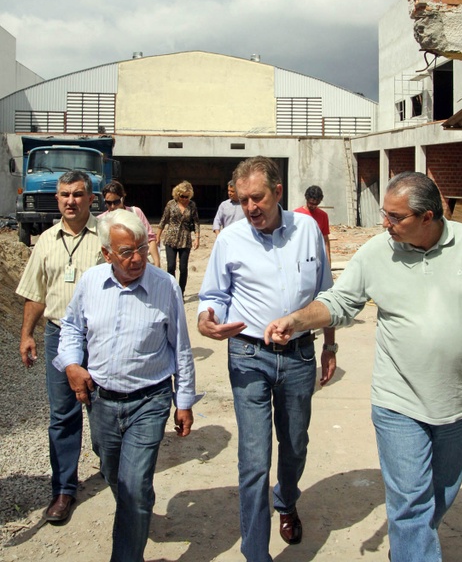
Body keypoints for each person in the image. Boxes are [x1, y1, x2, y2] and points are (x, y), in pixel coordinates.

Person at [265, 171, 462, 562]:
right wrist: (297, 320)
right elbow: (339, 302)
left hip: (459, 403)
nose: (386, 224)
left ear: (428, 217)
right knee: (411, 503)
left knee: (438, 497)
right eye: (385, 214)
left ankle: (408, 549)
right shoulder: (378, 251)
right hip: (397, 403)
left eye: (396, 217)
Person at [198, 156, 337, 562]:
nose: (250, 208)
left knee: (294, 445)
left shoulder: (307, 229)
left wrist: (330, 346)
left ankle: (287, 500)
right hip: (248, 356)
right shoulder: (230, 240)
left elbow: (325, 295)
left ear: (278, 192)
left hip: (298, 356)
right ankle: (254, 552)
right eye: (243, 200)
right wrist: (209, 320)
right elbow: (213, 296)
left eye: (257, 198)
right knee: (254, 459)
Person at [53, 209, 197, 562]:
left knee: (132, 486)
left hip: (150, 400)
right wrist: (71, 364)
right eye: (127, 253)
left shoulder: (164, 286)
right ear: (106, 254)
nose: (137, 260)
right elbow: (71, 328)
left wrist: (184, 400)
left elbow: (181, 346)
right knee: (113, 473)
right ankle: (140, 507)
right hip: (101, 401)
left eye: (142, 251)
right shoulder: (91, 282)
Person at [16, 170, 104, 523]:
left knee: (104, 415)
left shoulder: (106, 237)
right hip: (57, 337)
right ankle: (64, 489)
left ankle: (115, 471)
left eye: (78, 194)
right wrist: (27, 335)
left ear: (91, 198)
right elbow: (37, 294)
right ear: (57, 199)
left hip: (99, 340)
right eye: (65, 194)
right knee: (62, 417)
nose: (71, 201)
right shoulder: (47, 242)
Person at [99, 179, 160, 267]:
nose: (112, 206)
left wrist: (157, 263)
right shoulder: (101, 220)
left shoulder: (136, 212)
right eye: (108, 203)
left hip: (137, 262)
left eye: (116, 202)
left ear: (122, 198)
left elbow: (150, 238)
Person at [156, 181, 200, 296]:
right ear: (177, 195)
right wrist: (158, 236)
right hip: (171, 238)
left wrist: (197, 238)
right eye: (182, 196)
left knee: (183, 268)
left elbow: (196, 222)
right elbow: (163, 220)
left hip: (185, 239)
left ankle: (181, 292)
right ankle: (172, 290)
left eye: (187, 196)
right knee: (171, 266)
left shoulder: (192, 205)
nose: (184, 199)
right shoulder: (171, 204)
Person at [294, 185, 331, 264]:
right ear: (306, 199)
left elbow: (325, 240)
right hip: (300, 257)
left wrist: (328, 262)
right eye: (311, 203)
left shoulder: (323, 215)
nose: (313, 206)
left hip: (316, 257)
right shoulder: (296, 215)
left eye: (316, 203)